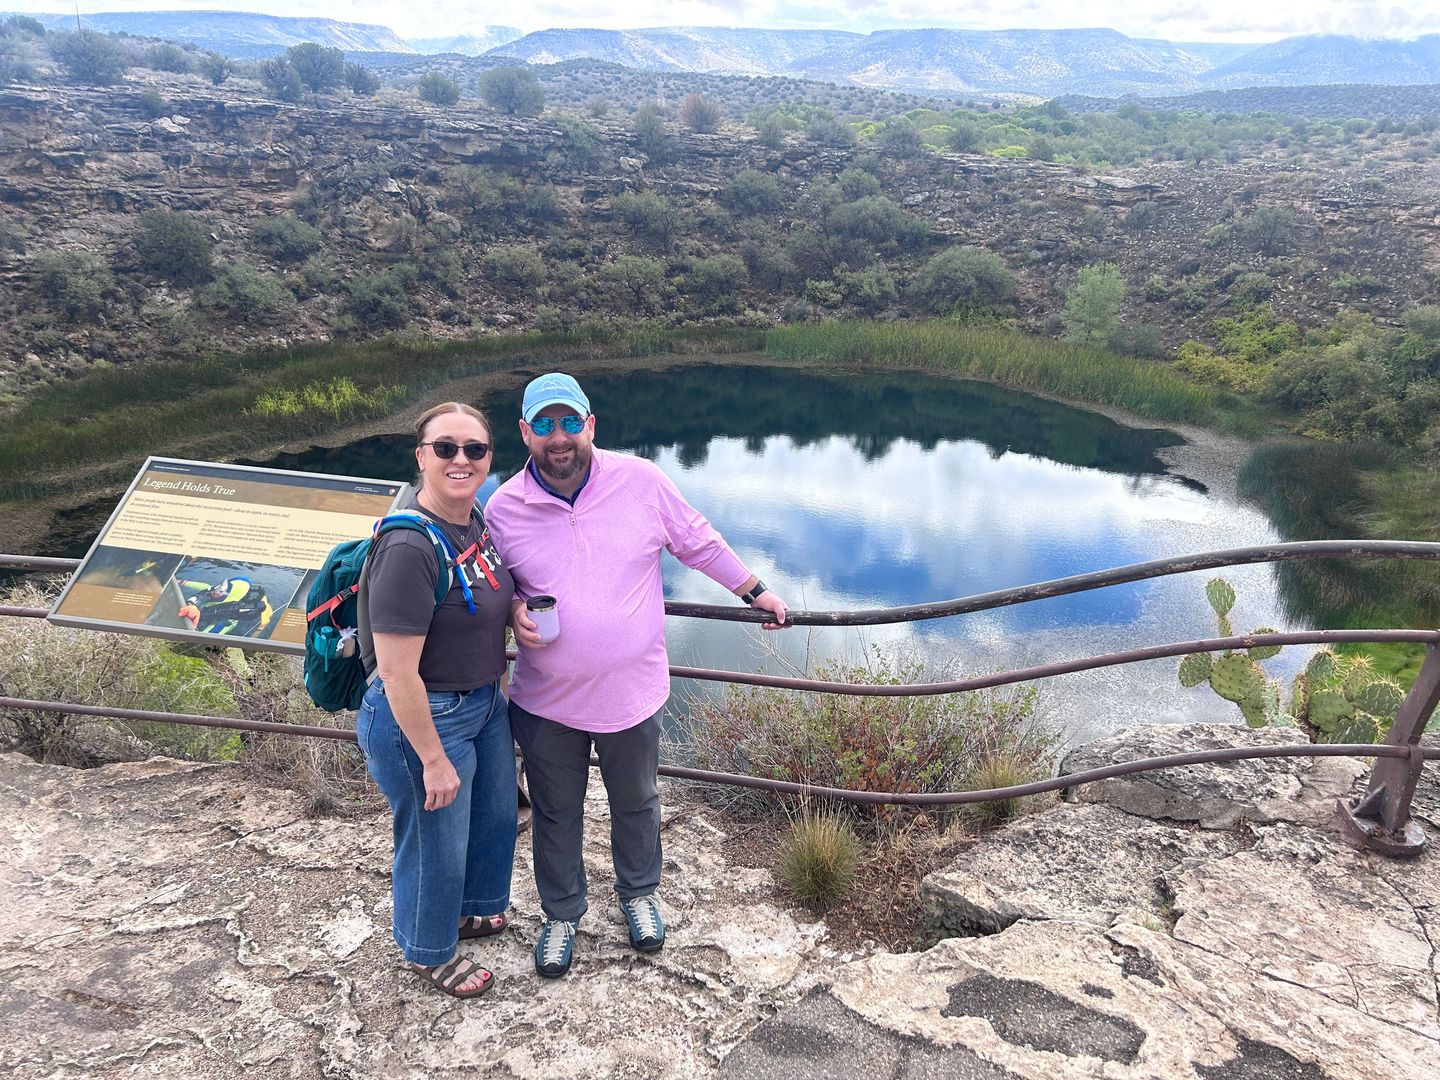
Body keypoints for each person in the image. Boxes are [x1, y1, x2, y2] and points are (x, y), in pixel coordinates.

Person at [486, 372, 789, 979]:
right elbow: (497, 588)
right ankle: (562, 914)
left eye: (570, 421)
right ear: (524, 432)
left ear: (591, 424)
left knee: (637, 802)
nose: (559, 437)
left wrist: (752, 589)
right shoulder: (502, 509)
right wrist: (514, 611)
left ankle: (639, 895)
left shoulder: (642, 481)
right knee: (554, 812)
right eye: (544, 424)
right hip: (546, 699)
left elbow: (696, 540)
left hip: (632, 692)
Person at [354, 402, 517, 999]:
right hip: (425, 717)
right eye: (445, 447)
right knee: (435, 841)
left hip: (483, 703)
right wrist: (431, 757)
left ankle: (473, 910)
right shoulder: (409, 548)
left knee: (495, 818)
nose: (461, 460)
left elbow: (491, 593)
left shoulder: (474, 523)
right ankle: (428, 951)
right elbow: (397, 673)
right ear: (421, 456)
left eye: (474, 449)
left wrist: (519, 610)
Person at [176, 574, 273, 635]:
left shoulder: (234, 608)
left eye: (219, 593)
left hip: (227, 620)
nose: (214, 593)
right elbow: (206, 588)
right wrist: (184, 582)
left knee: (211, 631)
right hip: (211, 609)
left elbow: (214, 615)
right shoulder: (217, 590)